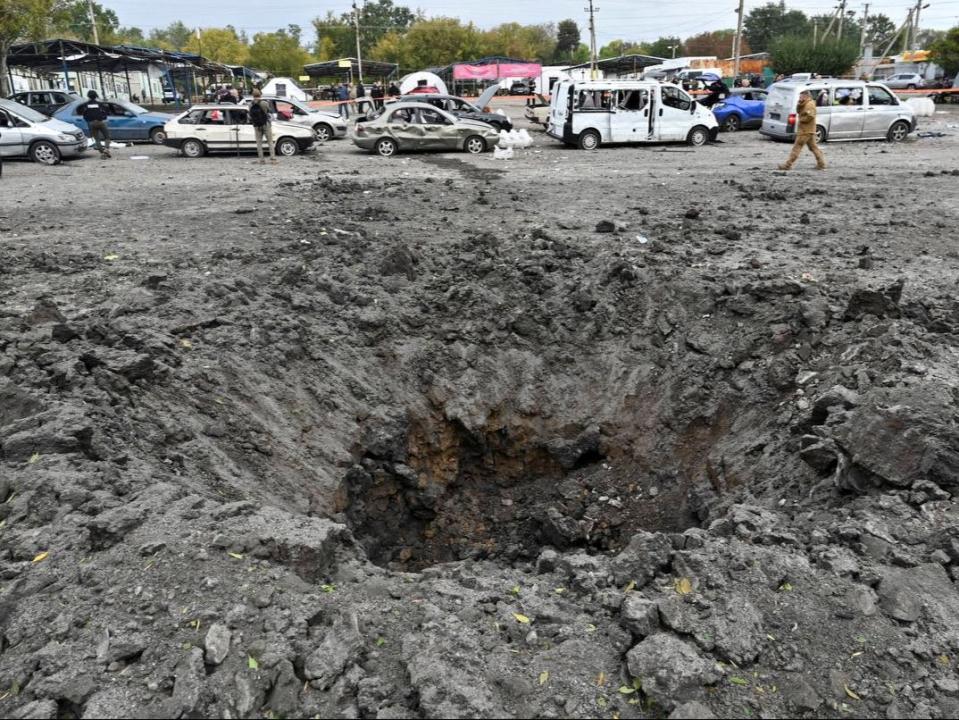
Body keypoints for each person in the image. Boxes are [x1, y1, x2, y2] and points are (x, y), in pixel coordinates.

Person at [778, 89, 825, 171]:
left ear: (806, 96)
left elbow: (811, 116)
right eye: (799, 96)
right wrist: (799, 103)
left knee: (796, 148)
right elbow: (798, 111)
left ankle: (787, 165)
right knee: (813, 148)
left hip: (805, 130)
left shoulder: (810, 104)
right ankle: (821, 164)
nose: (799, 98)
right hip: (808, 130)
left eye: (801, 96)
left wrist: (801, 120)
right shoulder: (805, 103)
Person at [249, 88, 276, 165]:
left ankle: (261, 160)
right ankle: (273, 159)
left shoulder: (250, 104)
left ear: (253, 95)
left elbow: (250, 115)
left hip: (256, 125)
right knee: (270, 142)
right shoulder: (264, 103)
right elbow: (269, 111)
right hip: (265, 124)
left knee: (259, 143)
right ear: (260, 95)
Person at [83, 90, 111, 159]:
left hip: (92, 123)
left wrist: (89, 121)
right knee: (107, 137)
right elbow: (105, 112)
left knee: (97, 139)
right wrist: (103, 117)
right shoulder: (99, 104)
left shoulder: (86, 105)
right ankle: (106, 150)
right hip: (100, 122)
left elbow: (84, 115)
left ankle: (102, 152)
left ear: (88, 96)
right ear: (96, 95)